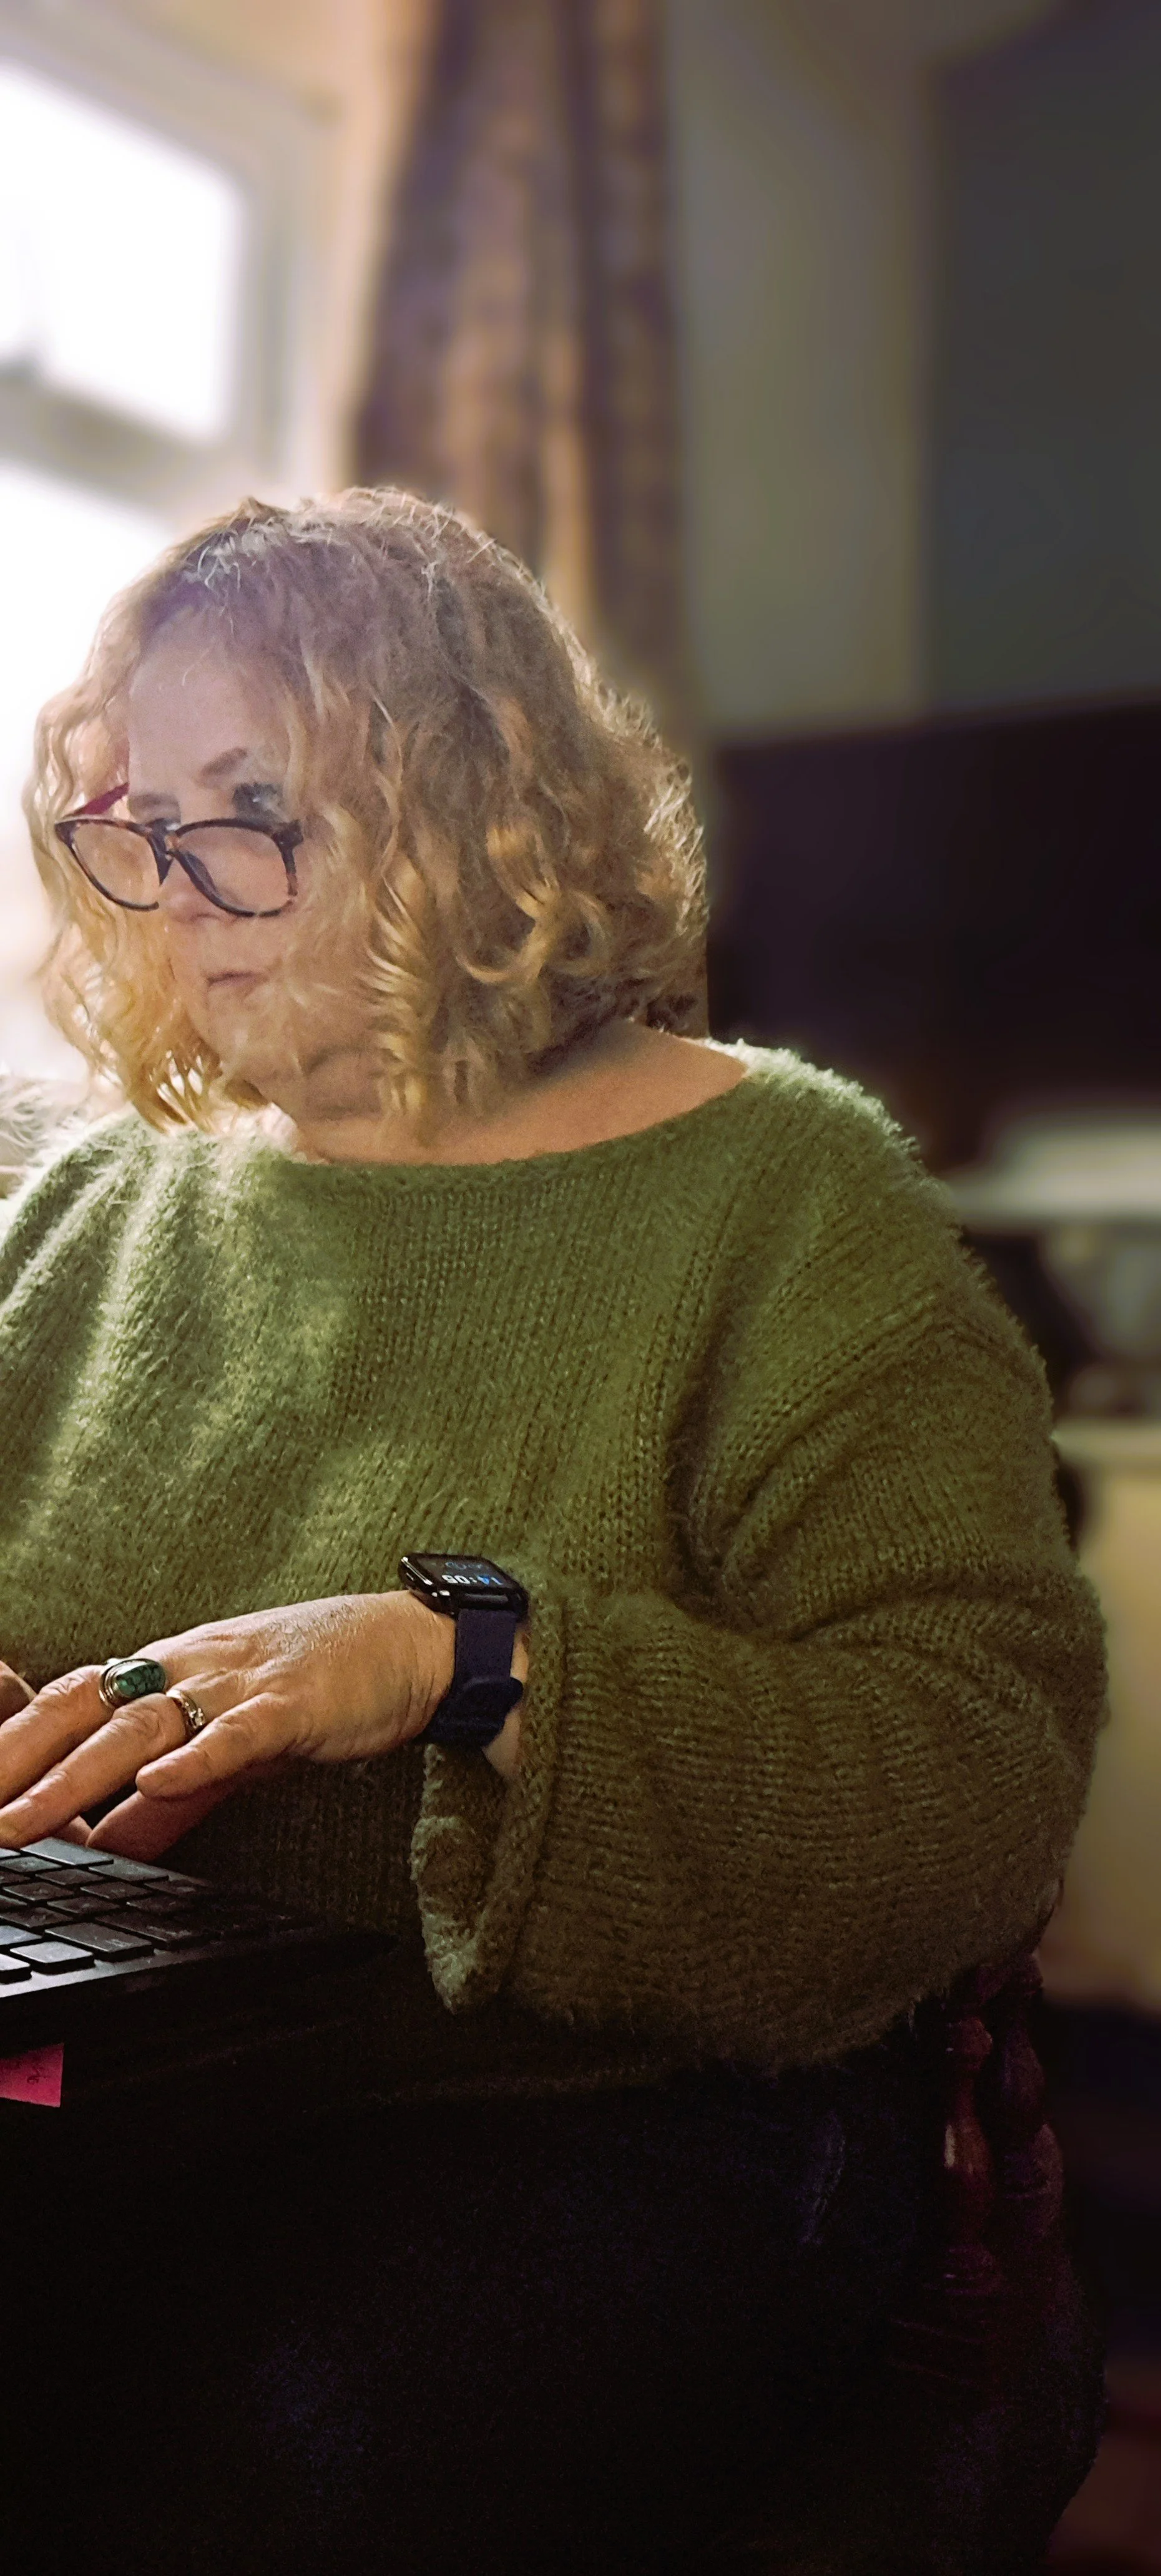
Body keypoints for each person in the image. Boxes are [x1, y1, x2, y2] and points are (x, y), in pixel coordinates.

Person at [0, 490, 1106, 2575]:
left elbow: (975, 1772)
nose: (182, 891)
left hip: (608, 2116)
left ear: (479, 806)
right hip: (121, 2072)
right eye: (135, 825)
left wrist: (465, 1661)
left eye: (258, 811)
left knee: (234, 2476)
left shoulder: (778, 1194)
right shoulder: (75, 1208)